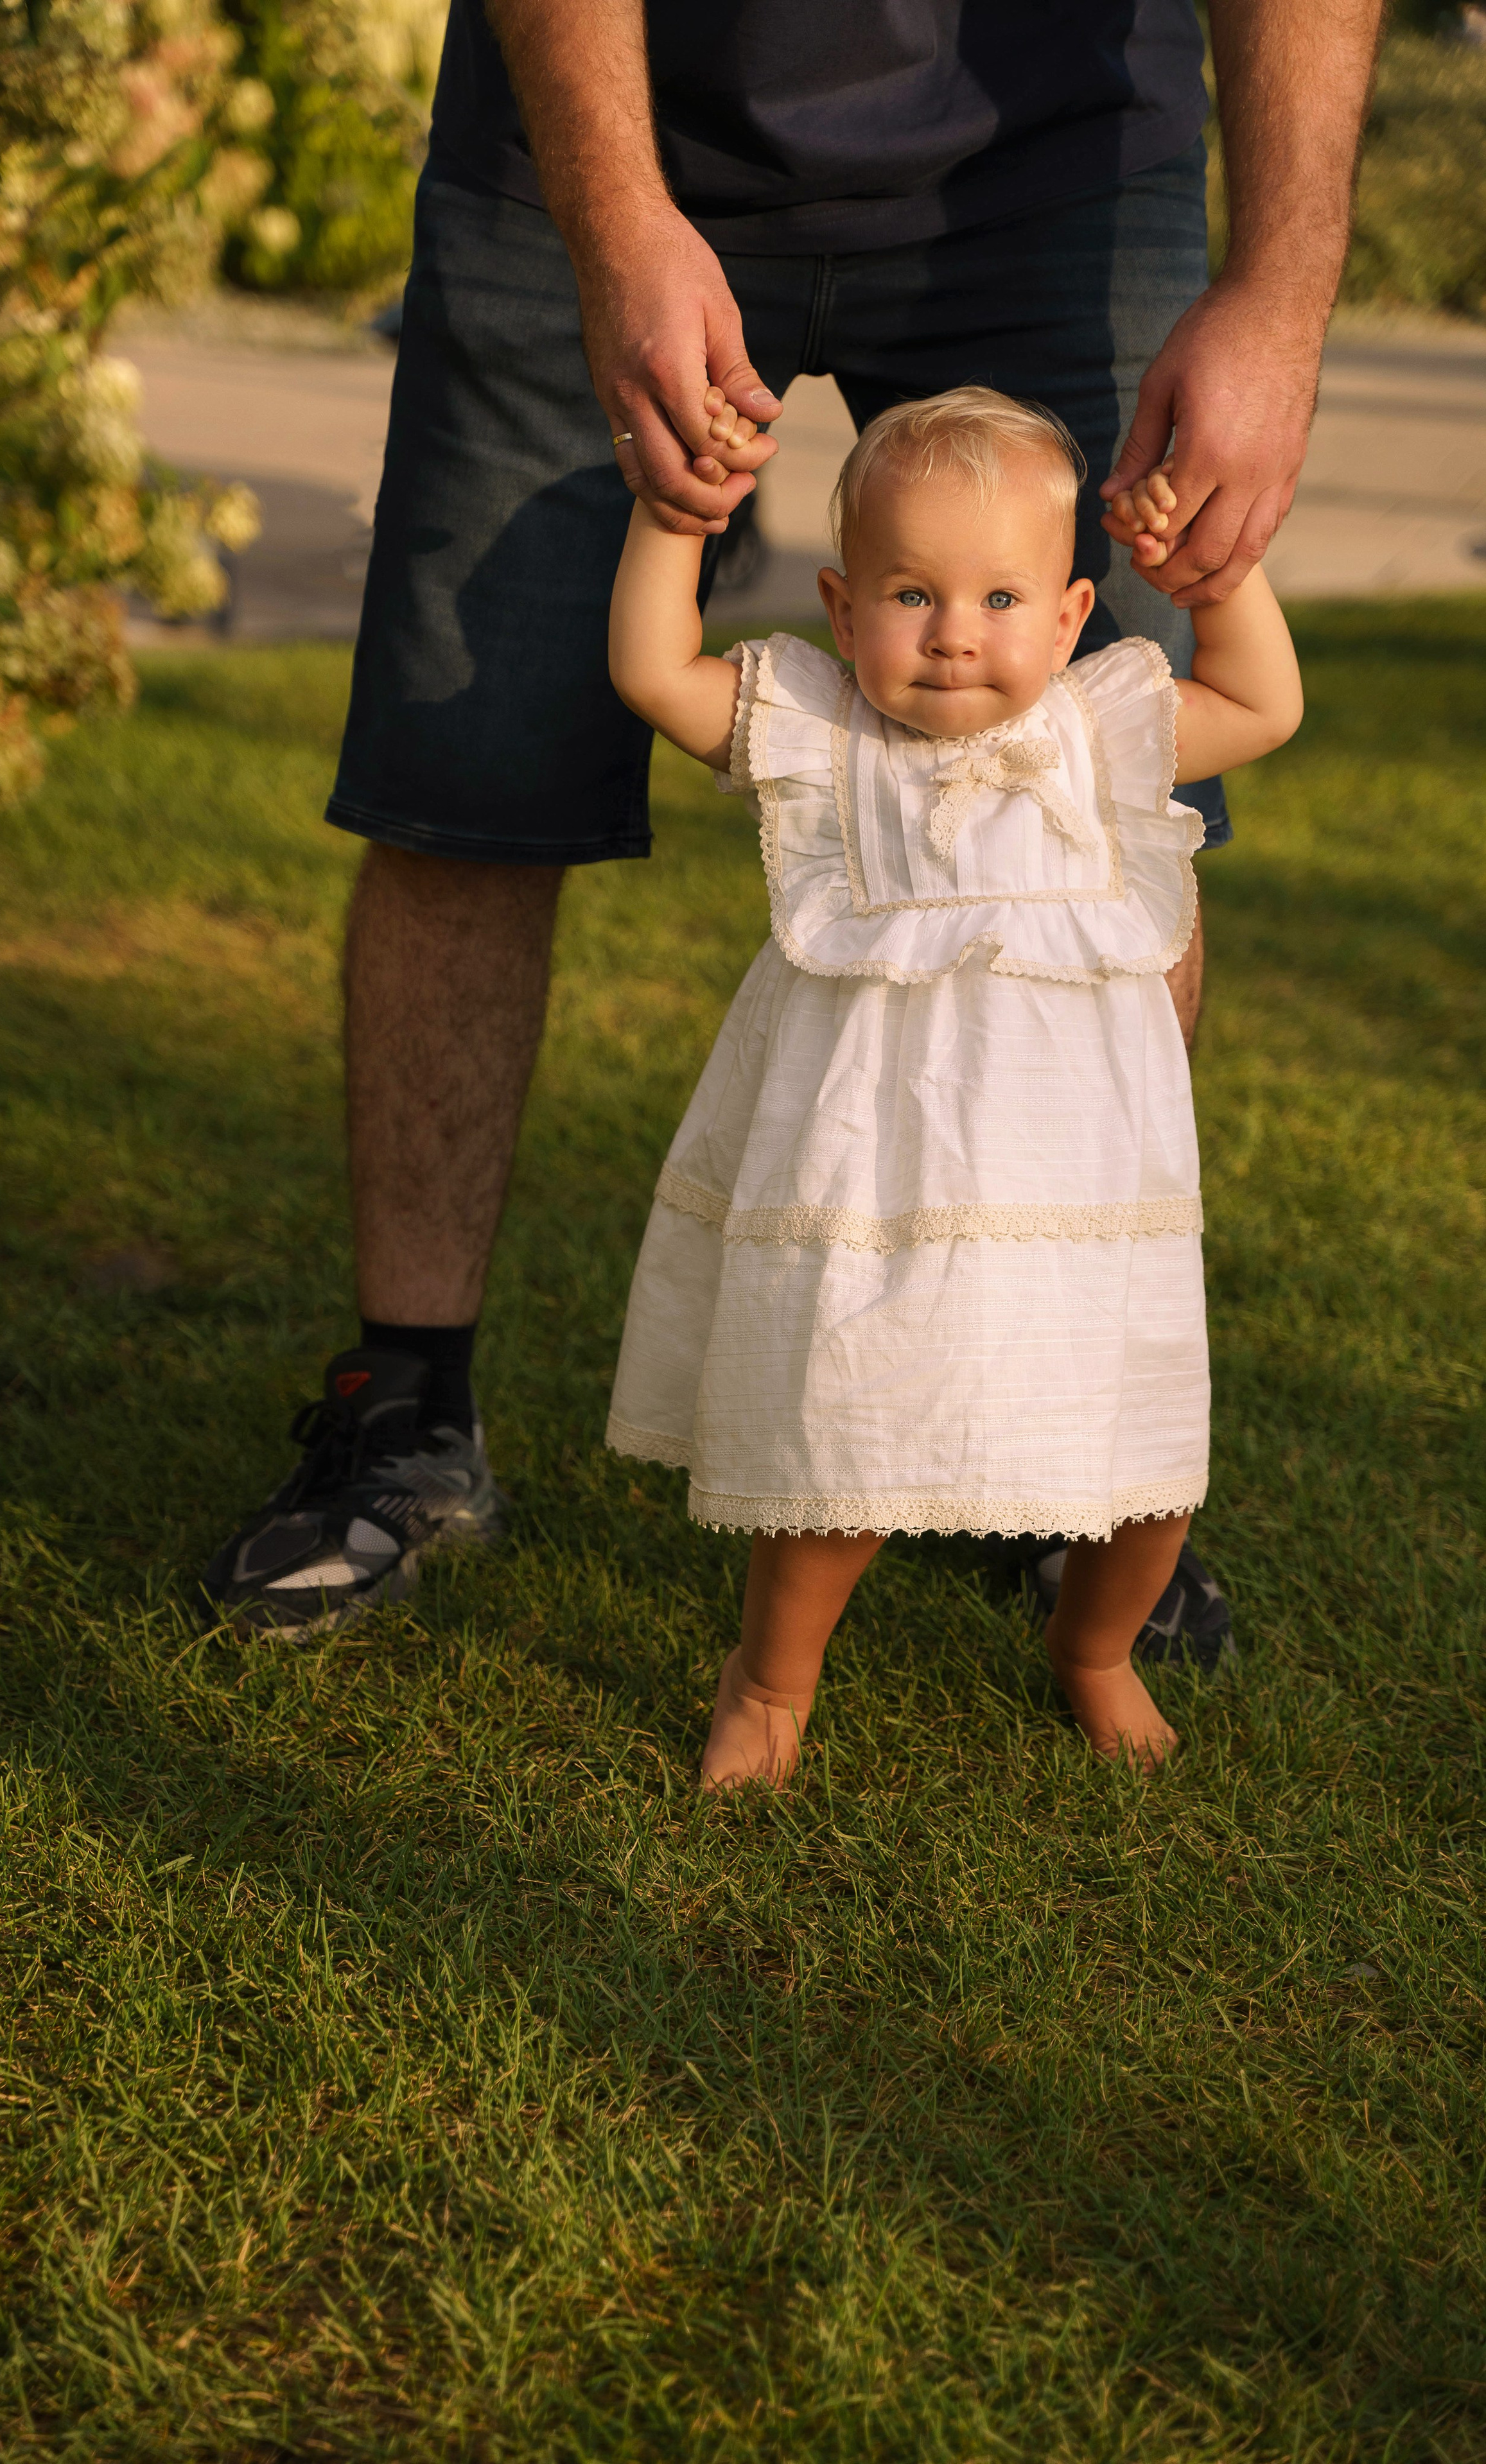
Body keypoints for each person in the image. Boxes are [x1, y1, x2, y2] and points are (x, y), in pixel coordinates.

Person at [198, 0, 1382, 1639]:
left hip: (1058, 154)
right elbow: (652, 676)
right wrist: (615, 217)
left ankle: (1054, 1452)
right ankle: (399, 1416)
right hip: (593, 122)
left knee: (1116, 836)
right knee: (461, 783)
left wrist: (1277, 290)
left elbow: (1228, 714)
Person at [605, 387, 1302, 1780]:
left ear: (1065, 616)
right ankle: (771, 1675)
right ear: (840, 601)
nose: (952, 631)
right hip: (879, 1184)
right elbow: (650, 675)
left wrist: (1217, 580)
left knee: (1139, 1472)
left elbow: (1264, 703)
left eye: (997, 594)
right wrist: (671, 517)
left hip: (1081, 1195)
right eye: (910, 591)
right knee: (846, 1444)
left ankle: (1092, 1647)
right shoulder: (821, 736)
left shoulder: (1100, 734)